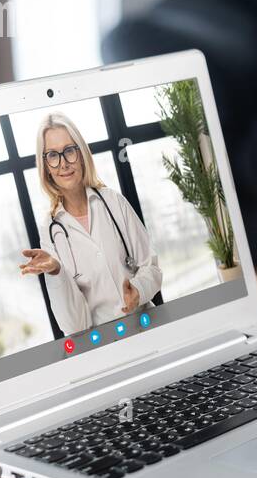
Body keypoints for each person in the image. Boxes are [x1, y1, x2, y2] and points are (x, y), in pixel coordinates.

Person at [19, 113, 162, 337]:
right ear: (45, 166)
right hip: (102, 345)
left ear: (81, 153)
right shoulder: (51, 230)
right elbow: (74, 326)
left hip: (147, 327)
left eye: (69, 150)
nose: (64, 163)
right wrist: (56, 272)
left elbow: (152, 268)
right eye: (53, 155)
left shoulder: (113, 201)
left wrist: (138, 290)